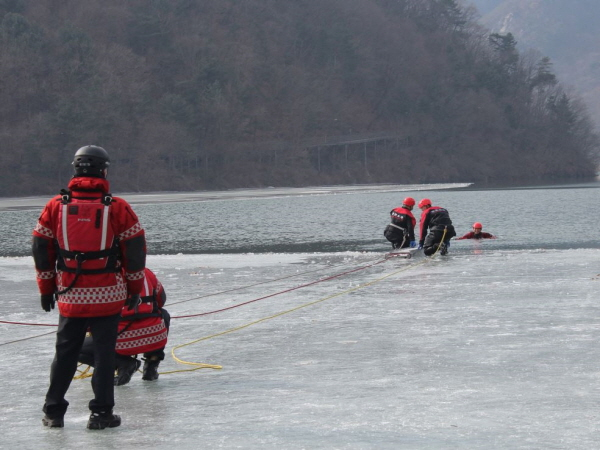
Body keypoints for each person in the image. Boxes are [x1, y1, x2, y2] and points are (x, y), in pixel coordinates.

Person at [32, 145, 146, 430]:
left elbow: (40, 247)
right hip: (109, 294)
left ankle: (53, 411)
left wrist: (46, 288)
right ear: (103, 171)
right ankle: (101, 413)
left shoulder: (55, 206)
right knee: (104, 354)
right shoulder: (118, 207)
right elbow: (135, 253)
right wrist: (134, 291)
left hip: (70, 293)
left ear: (75, 170)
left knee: (65, 352)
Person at [79, 268, 170, 386]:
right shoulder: (145, 272)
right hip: (154, 338)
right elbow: (161, 299)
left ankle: (122, 363)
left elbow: (93, 316)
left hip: (121, 341)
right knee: (164, 314)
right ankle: (152, 364)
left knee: (75, 348)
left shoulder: (102, 278)